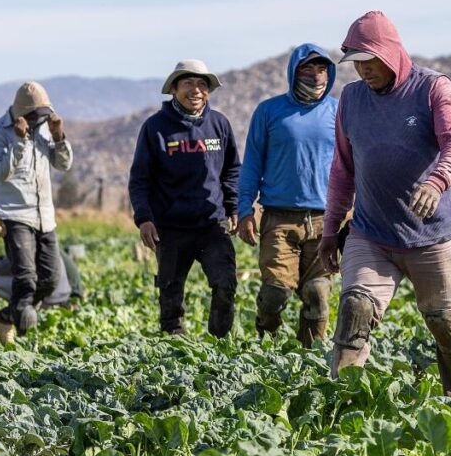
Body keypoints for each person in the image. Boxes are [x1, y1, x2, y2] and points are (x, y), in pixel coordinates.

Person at [318, 11, 451, 395]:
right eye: (356, 64)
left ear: (389, 53)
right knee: (356, 309)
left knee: (446, 325)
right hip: (371, 234)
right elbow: (343, 169)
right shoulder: (352, 100)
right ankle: (343, 405)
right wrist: (329, 229)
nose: (363, 72)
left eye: (369, 62)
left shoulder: (434, 88)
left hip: (431, 236)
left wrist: (437, 181)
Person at [128, 59, 240, 337]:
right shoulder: (155, 127)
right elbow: (140, 178)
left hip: (212, 224)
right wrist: (144, 218)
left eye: (202, 84)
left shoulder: (219, 124)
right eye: (188, 83)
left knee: (225, 283)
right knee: (170, 291)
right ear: (174, 88)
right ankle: (175, 344)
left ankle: (219, 341)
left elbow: (232, 170)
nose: (196, 90)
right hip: (171, 227)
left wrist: (234, 207)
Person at [236, 44, 337, 347]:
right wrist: (244, 210)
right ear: (294, 71)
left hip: (325, 220)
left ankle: (309, 355)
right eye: (308, 68)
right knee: (275, 292)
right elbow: (252, 162)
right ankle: (267, 346)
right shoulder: (269, 111)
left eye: (321, 68)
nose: (315, 75)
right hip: (279, 219)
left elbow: (354, 164)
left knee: (318, 293)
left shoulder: (338, 111)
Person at [0, 82, 73, 345]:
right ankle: (22, 340)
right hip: (14, 214)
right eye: (34, 116)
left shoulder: (46, 129)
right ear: (21, 114)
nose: (38, 121)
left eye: (42, 116)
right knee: (26, 278)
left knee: (51, 278)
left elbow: (64, 165)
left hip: (45, 215)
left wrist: (59, 137)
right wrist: (21, 141)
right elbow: (0, 172)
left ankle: (4, 317)